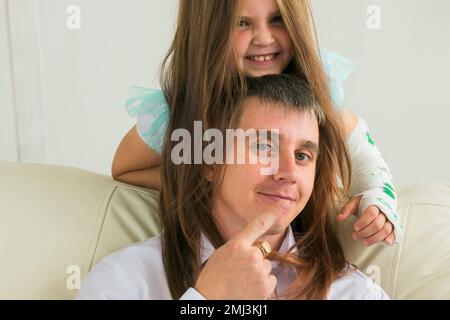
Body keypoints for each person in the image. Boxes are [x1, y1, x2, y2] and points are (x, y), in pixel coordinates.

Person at [112, 0, 402, 247]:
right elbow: (127, 168)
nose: (264, 38)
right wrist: (210, 180)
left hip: (300, 241)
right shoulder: (179, 108)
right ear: (206, 32)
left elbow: (360, 150)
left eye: (277, 19)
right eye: (242, 23)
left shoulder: (316, 83)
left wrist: (377, 197)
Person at [77, 75, 389, 300]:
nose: (289, 173)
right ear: (210, 163)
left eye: (303, 155)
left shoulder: (356, 294)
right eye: (265, 147)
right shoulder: (125, 280)